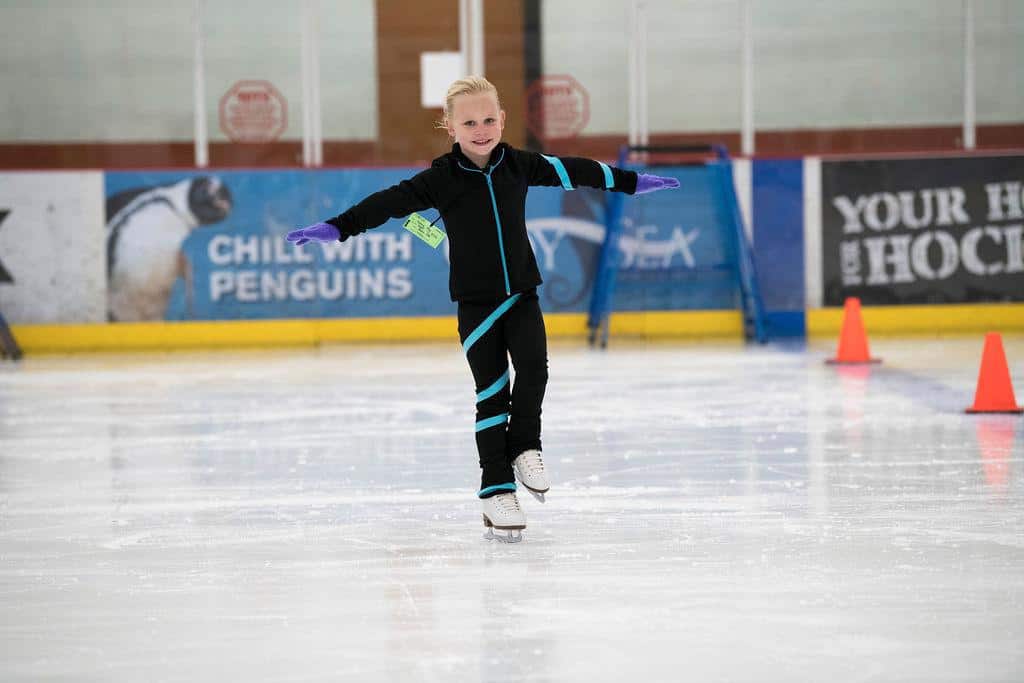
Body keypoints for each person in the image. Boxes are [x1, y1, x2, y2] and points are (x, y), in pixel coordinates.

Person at [286, 76, 679, 542]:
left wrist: (630, 182)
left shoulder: (519, 165)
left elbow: (574, 170)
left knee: (535, 370)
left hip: (522, 293)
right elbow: (386, 204)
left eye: (489, 119)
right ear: (449, 127)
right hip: (476, 304)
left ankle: (525, 447)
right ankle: (497, 489)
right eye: (469, 121)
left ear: (503, 120)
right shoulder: (439, 181)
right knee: (492, 394)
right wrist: (338, 228)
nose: (481, 128)